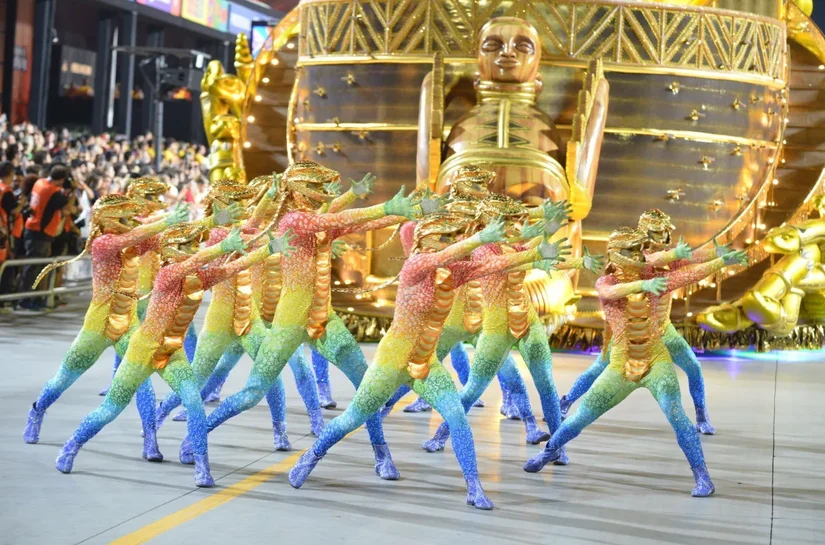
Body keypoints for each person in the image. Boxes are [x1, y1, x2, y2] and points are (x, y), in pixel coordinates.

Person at [19, 165, 73, 310]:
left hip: (33, 229)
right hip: (40, 233)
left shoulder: (39, 183)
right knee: (34, 268)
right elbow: (67, 205)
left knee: (35, 267)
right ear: (61, 180)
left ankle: (34, 298)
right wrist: (73, 190)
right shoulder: (52, 191)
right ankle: (26, 300)